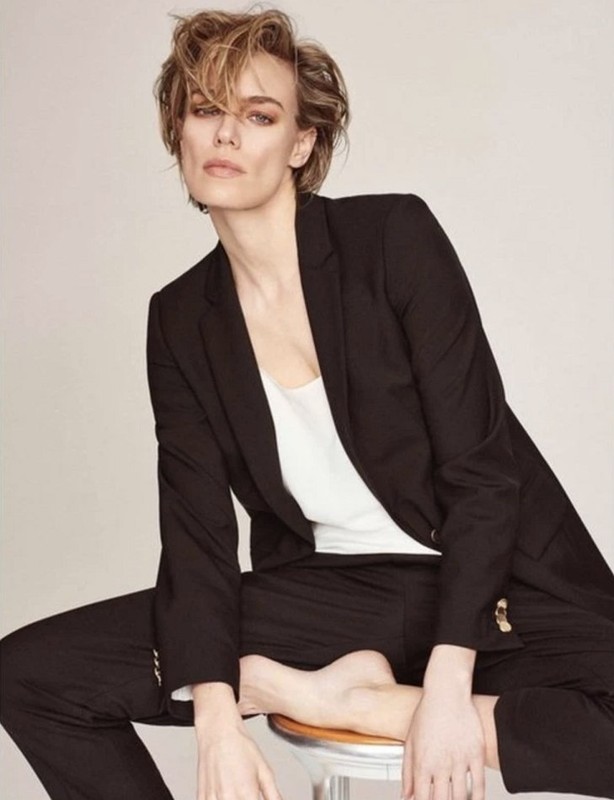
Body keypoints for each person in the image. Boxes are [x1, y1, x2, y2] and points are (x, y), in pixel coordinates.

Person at [1, 7, 613, 800]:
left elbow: (483, 475)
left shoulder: (391, 239)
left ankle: (358, 699)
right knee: (30, 675)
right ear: (178, 131)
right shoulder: (181, 318)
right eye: (205, 109)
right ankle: (339, 684)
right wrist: (217, 720)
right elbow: (196, 536)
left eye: (259, 115)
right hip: (330, 598)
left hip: (490, 588)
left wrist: (442, 692)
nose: (227, 134)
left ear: (301, 144)